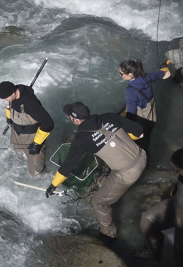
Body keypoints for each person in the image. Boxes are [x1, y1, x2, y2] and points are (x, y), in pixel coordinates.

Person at [46, 102, 146, 242]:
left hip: (128, 173)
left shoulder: (81, 139)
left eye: (69, 117)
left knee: (99, 202)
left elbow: (67, 167)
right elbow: (138, 131)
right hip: (142, 156)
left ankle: (108, 234)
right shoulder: (109, 117)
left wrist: (53, 186)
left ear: (75, 120)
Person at [0, 80, 54, 177]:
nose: (5, 100)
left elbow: (48, 123)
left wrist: (36, 144)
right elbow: (9, 107)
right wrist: (9, 119)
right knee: (17, 157)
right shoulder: (13, 97)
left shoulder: (30, 104)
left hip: (32, 138)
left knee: (37, 173)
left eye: (6, 98)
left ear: (14, 93)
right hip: (17, 133)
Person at [119, 58, 172, 151]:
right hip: (151, 117)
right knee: (147, 138)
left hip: (141, 119)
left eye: (121, 73)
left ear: (130, 75)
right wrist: (164, 67)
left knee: (139, 143)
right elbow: (164, 74)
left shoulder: (130, 91)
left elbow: (131, 114)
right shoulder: (147, 77)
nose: (120, 75)